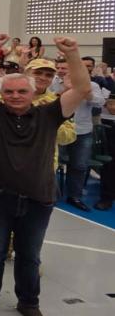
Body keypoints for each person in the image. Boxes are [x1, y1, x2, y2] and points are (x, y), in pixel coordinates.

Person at [0, 37, 90, 316]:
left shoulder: (49, 114)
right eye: (9, 91)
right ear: (2, 93)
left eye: (21, 91)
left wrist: (73, 53)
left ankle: (29, 304)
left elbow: (82, 89)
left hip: (38, 197)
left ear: (33, 91)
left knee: (29, 255)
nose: (15, 96)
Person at [60, 57, 107, 212]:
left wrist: (85, 92)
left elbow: (100, 102)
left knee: (79, 165)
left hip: (82, 131)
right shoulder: (55, 82)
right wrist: (65, 89)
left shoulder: (91, 85)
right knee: (51, 163)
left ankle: (74, 196)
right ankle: (49, 193)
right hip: (58, 130)